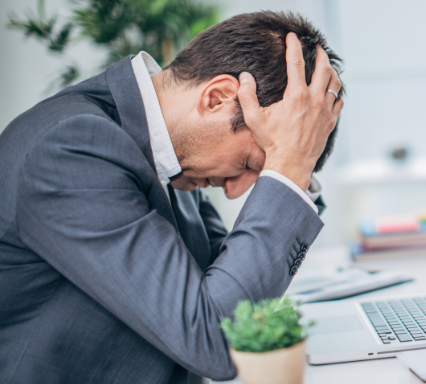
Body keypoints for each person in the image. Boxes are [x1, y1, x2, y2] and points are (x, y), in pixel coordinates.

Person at [0, 11, 342, 383]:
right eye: (248, 162)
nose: (235, 191)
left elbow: (232, 290)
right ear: (218, 98)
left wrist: (296, 167)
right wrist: (288, 168)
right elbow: (219, 337)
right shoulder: (73, 147)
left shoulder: (165, 151)